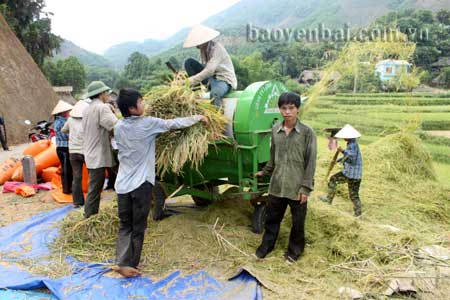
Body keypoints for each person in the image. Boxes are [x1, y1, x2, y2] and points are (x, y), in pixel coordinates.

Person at [113, 88, 208, 277]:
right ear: (132, 109)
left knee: (126, 224)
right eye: (141, 102)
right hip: (141, 184)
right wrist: (198, 117)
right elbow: (174, 124)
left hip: (122, 184)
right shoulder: (148, 124)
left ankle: (121, 261)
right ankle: (131, 265)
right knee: (138, 226)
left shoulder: (118, 127)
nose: (144, 104)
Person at [255, 92, 317, 263]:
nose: (287, 112)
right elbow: (273, 155)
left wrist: (306, 188)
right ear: (279, 109)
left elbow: (311, 162)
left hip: (297, 186)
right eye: (284, 108)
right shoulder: (275, 130)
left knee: (297, 223)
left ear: (298, 109)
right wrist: (265, 172)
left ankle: (294, 251)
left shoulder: (307, 133)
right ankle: (266, 247)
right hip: (277, 184)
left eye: (291, 108)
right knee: (272, 219)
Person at [82, 81, 118, 218]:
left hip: (91, 153)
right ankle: (89, 217)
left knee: (96, 186)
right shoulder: (101, 108)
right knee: (95, 188)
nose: (108, 95)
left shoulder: (87, 109)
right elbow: (115, 126)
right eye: (106, 93)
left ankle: (90, 215)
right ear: (101, 94)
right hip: (99, 154)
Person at [183, 24, 237, 107]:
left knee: (215, 94)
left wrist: (189, 81)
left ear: (204, 40)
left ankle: (218, 117)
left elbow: (209, 70)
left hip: (224, 80)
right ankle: (196, 93)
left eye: (197, 42)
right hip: (212, 79)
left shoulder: (217, 49)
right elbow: (205, 68)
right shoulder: (203, 50)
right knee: (189, 62)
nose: (196, 45)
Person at [321, 124, 363, 217]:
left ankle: (329, 199)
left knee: (333, 179)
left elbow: (350, 157)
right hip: (357, 176)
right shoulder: (353, 144)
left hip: (350, 174)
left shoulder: (352, 145)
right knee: (354, 195)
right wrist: (338, 160)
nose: (344, 138)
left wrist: (342, 151)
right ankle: (358, 213)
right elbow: (349, 157)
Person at [62, 100, 89, 208]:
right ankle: (91, 199)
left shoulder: (70, 120)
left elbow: (63, 130)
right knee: (92, 175)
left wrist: (72, 132)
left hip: (73, 152)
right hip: (86, 151)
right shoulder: (87, 120)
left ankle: (77, 202)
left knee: (77, 177)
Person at [52, 100, 74, 195]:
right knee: (68, 168)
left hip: (59, 148)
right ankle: (68, 188)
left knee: (64, 168)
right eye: (68, 111)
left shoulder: (56, 121)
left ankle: (65, 187)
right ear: (64, 112)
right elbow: (67, 135)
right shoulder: (65, 122)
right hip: (66, 147)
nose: (69, 112)